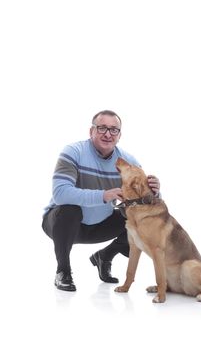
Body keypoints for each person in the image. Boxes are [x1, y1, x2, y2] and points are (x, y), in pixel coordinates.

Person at [42, 110, 160, 291]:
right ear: (91, 131)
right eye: (102, 128)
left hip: (99, 226)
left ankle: (104, 256)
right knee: (69, 209)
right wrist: (103, 195)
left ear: (119, 135)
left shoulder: (128, 161)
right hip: (63, 224)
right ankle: (63, 271)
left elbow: (145, 205)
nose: (107, 134)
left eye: (113, 130)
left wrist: (155, 192)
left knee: (138, 219)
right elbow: (61, 194)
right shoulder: (73, 151)